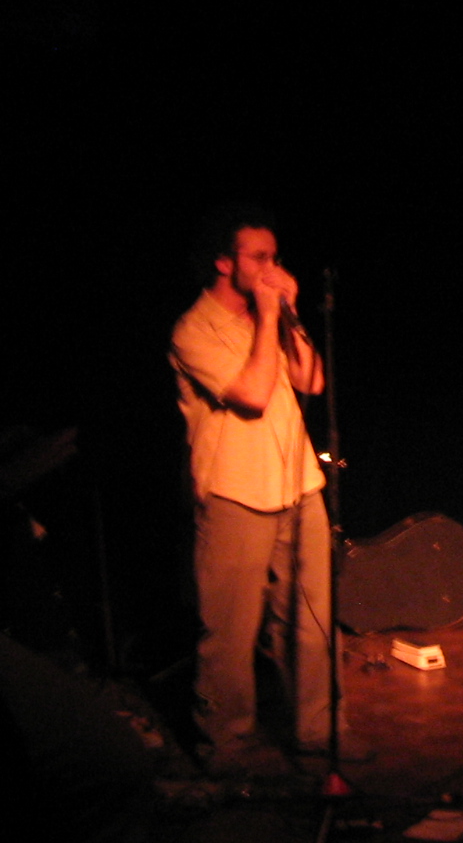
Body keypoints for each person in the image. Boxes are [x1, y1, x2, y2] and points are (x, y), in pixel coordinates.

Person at [169, 204, 339, 774]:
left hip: (299, 486)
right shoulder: (194, 330)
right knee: (230, 636)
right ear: (224, 262)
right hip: (236, 494)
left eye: (275, 257)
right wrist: (269, 315)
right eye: (259, 257)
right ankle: (227, 747)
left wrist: (287, 313)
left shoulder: (269, 315)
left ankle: (318, 730)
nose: (272, 267)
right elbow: (253, 393)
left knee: (312, 621)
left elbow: (312, 379)